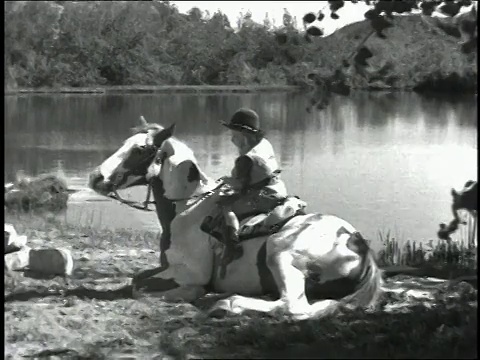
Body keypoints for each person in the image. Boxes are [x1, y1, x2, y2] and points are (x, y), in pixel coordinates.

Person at [216, 108, 288, 267]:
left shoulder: (246, 159)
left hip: (263, 196)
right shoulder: (264, 144)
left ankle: (231, 247)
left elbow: (240, 184)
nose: (232, 140)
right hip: (278, 189)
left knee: (225, 207)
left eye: (234, 135)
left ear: (244, 136)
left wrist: (227, 180)